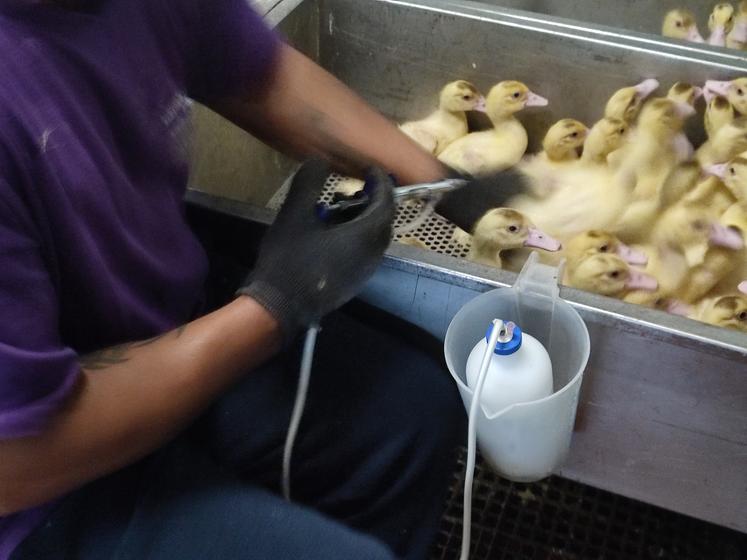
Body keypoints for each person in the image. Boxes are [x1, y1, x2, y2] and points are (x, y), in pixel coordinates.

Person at [0, 1, 469, 559]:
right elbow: (19, 460)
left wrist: (448, 188)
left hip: (167, 318)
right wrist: (277, 302)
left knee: (414, 419)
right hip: (42, 489)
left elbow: (257, 70)